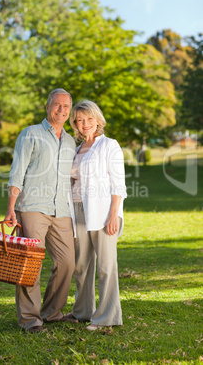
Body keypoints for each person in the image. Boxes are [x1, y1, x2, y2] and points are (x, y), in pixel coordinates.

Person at [5, 89, 76, 333]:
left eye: (66, 106)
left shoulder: (70, 140)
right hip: (33, 207)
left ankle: (51, 312)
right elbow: (18, 172)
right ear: (47, 107)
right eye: (57, 105)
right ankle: (30, 319)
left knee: (67, 262)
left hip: (61, 210)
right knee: (30, 263)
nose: (62, 110)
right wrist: (11, 209)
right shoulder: (30, 134)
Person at [65, 100, 127, 330]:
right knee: (80, 265)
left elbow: (118, 184)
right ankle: (82, 311)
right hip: (77, 209)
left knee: (106, 266)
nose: (85, 124)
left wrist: (114, 215)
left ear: (98, 120)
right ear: (74, 123)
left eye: (89, 119)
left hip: (102, 212)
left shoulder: (109, 145)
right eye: (79, 120)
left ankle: (107, 317)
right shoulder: (75, 148)